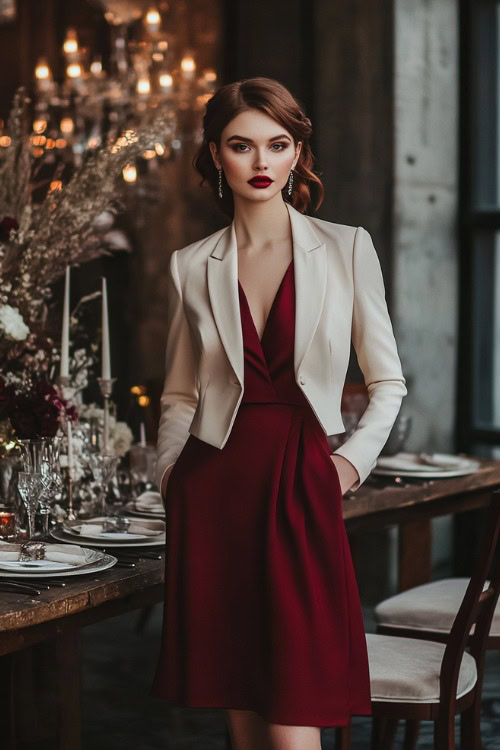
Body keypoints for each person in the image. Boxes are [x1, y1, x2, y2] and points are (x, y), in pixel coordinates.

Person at [150, 76, 407, 750]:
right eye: (242, 145)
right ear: (215, 155)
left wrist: (348, 465)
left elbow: (389, 382)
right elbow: (178, 394)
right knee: (243, 717)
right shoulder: (190, 265)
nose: (260, 163)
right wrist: (172, 477)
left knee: (293, 716)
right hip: (215, 495)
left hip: (302, 487)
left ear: (297, 154)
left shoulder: (347, 248)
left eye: (277, 144)